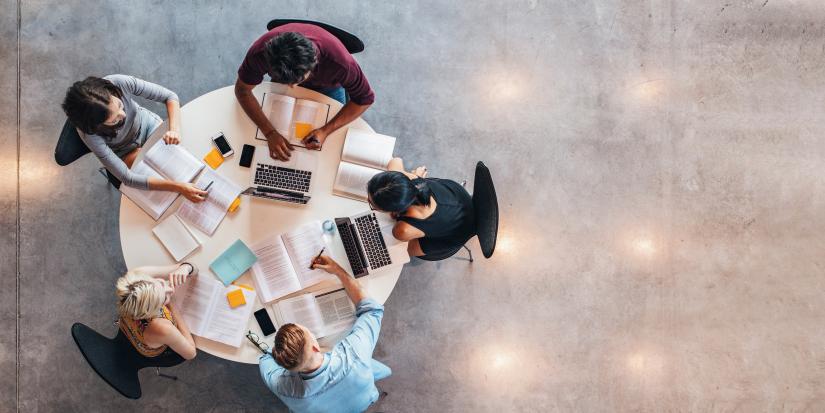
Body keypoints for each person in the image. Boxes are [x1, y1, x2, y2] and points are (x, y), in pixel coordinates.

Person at [259, 256, 390, 413]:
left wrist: (280, 351)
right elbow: (372, 309)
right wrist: (337, 270)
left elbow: (265, 359)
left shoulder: (282, 387)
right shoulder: (353, 354)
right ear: (315, 347)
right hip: (364, 400)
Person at [235, 23, 375, 161]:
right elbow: (242, 90)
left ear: (314, 62)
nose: (292, 88)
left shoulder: (341, 64)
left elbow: (365, 99)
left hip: (329, 86)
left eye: (297, 81)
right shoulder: (259, 53)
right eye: (287, 82)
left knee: (331, 146)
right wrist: (270, 132)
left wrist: (325, 130)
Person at [61, 75, 207, 202]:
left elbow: (170, 97)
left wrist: (174, 130)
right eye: (114, 120)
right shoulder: (89, 134)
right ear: (97, 126)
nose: (123, 115)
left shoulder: (118, 82)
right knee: (160, 180)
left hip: (147, 126)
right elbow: (127, 178)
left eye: (120, 105)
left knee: (185, 156)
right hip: (123, 151)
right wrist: (178, 188)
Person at [367, 158, 475, 258]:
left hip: (456, 234)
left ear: (392, 210)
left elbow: (404, 248)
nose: (368, 200)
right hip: (458, 197)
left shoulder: (402, 230)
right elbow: (396, 161)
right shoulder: (412, 180)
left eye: (371, 204)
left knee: (399, 252)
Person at [115, 263, 198, 360]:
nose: (170, 289)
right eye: (164, 299)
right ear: (152, 312)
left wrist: (186, 268)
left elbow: (193, 267)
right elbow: (191, 353)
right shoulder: (163, 327)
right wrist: (173, 305)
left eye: (161, 283)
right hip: (151, 348)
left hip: (129, 325)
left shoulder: (137, 275)